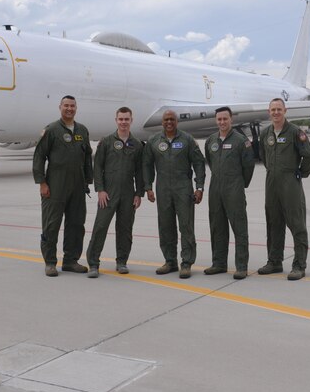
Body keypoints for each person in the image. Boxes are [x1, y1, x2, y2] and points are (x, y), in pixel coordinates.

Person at [32, 95, 93, 277]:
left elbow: (87, 157)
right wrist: (42, 182)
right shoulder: (51, 130)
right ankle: (50, 262)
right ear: (60, 107)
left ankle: (71, 261)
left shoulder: (82, 130)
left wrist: (88, 180)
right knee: (51, 224)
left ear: (76, 108)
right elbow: (39, 157)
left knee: (76, 224)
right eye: (66, 106)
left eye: (72, 106)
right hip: (55, 185)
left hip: (77, 185)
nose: (69, 109)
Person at [143, 110, 206, 279]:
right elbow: (147, 165)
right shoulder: (154, 141)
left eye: (172, 119)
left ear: (177, 121)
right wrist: (148, 187)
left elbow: (199, 163)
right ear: (162, 122)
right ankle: (170, 261)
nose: (169, 122)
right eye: (166, 120)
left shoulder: (187, 140)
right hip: (162, 189)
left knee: (186, 226)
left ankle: (186, 263)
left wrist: (199, 187)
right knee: (165, 226)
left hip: (183, 189)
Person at [258, 98, 310, 281]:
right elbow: (263, 156)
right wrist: (274, 171)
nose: (276, 112)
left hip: (290, 183)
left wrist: (299, 174)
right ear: (269, 111)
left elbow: (308, 156)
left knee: (296, 224)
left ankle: (299, 265)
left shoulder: (295, 133)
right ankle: (274, 261)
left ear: (285, 111)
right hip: (271, 183)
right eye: (273, 109)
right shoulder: (265, 133)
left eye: (279, 109)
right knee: (273, 223)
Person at [84, 107, 144, 278]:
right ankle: (93, 264)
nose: (123, 122)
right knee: (100, 227)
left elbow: (140, 171)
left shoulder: (137, 145)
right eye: (120, 119)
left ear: (131, 120)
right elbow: (98, 167)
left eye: (126, 119)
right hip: (108, 193)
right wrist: (100, 190)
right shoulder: (107, 142)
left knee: (125, 229)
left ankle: (122, 261)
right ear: (116, 120)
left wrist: (138, 193)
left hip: (128, 193)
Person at [203, 106, 254, 279]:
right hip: (215, 189)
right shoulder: (211, 140)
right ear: (216, 120)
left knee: (239, 228)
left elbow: (249, 166)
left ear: (231, 120)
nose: (222, 122)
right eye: (219, 119)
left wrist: (240, 184)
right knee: (217, 227)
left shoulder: (241, 141)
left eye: (225, 119)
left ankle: (241, 266)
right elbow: (210, 161)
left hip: (234, 189)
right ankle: (219, 263)